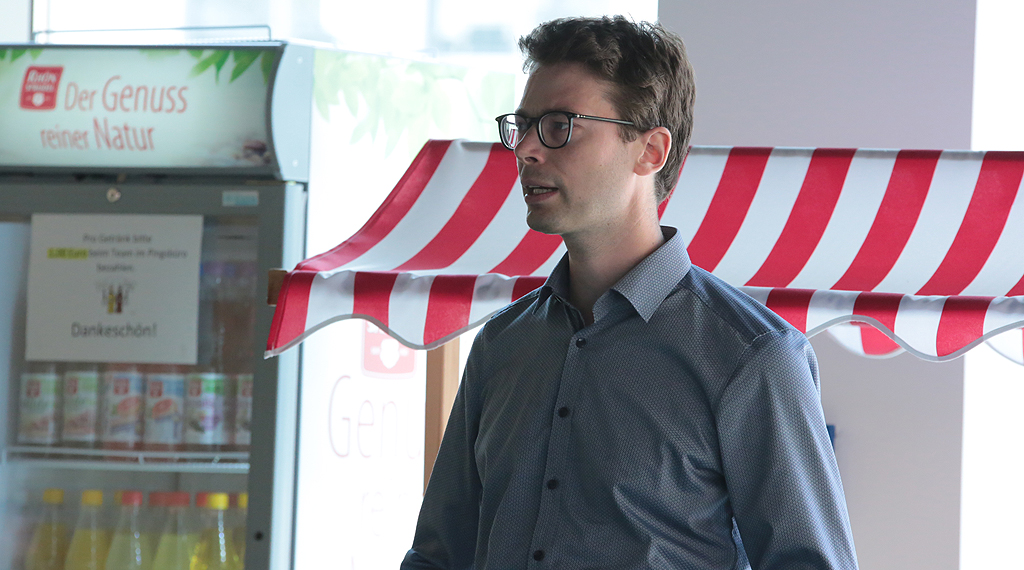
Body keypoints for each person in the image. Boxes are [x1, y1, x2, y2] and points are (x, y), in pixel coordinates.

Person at [402, 15, 858, 570]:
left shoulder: (752, 357)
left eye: (560, 126)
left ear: (650, 150)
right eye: (523, 126)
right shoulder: (501, 345)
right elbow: (437, 556)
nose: (526, 150)